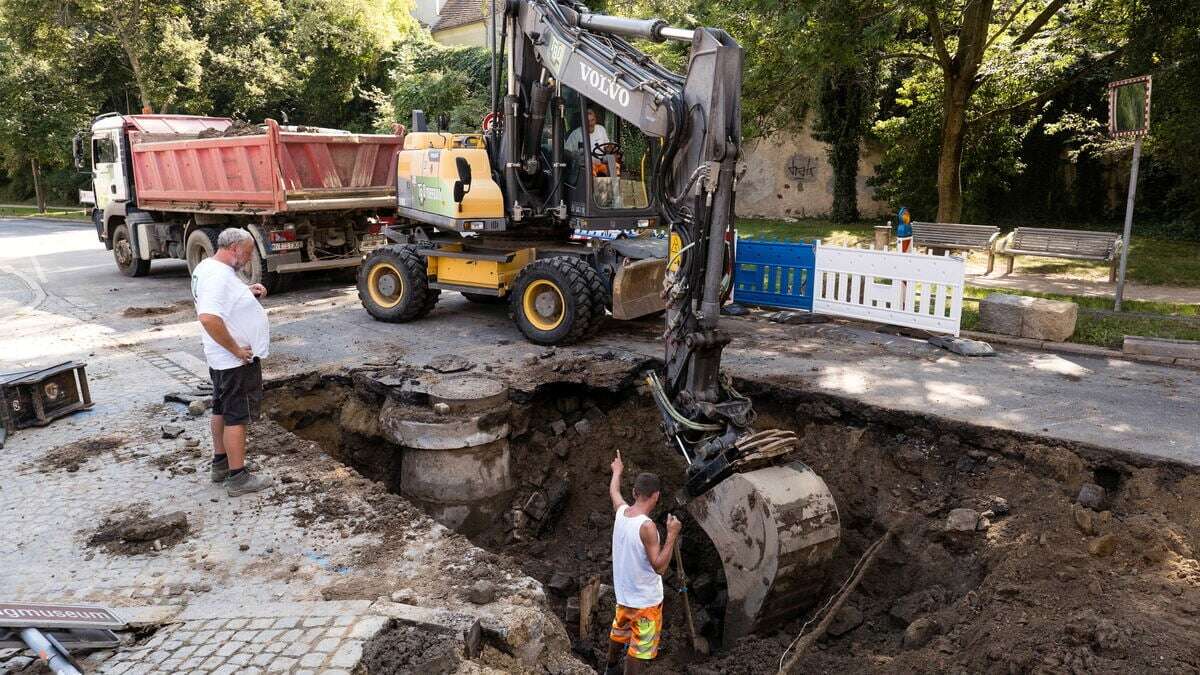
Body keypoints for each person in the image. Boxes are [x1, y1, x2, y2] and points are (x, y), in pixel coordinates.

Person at [191, 228, 273, 497]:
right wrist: (237, 350)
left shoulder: (209, 267)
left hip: (220, 359)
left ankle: (221, 464)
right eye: (248, 253)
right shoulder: (217, 276)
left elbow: (221, 301)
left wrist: (245, 292)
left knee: (221, 409)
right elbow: (209, 318)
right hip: (234, 362)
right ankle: (238, 478)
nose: (248, 259)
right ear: (235, 248)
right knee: (237, 416)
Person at [605, 450, 680, 674]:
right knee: (638, 650)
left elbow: (614, 492)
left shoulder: (622, 513)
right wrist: (672, 534)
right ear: (656, 496)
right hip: (645, 603)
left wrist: (617, 471)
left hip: (624, 596)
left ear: (635, 492)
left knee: (619, 632)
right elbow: (660, 567)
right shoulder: (647, 527)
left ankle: (610, 669)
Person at [566, 108, 618, 177]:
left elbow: (607, 146)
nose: (590, 124)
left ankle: (614, 184)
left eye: (592, 120)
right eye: (587, 121)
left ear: (595, 119)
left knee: (613, 163)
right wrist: (576, 156)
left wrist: (611, 149)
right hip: (584, 167)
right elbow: (567, 152)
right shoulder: (575, 134)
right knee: (590, 170)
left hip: (600, 164)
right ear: (583, 121)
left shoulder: (601, 129)